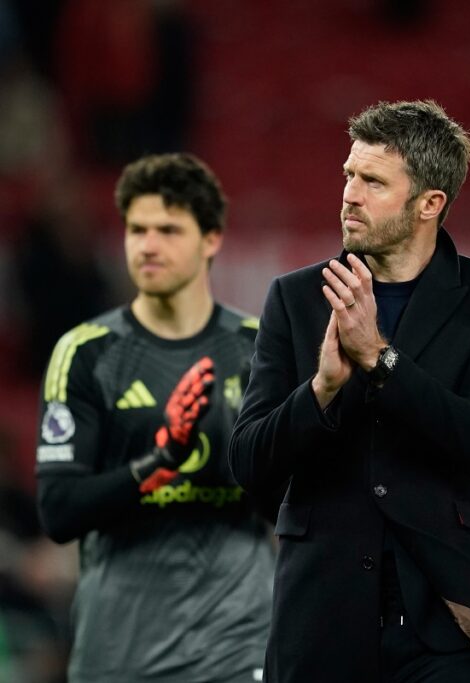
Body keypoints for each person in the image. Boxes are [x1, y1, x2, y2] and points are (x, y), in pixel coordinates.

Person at [229, 100, 470, 683]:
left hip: (448, 618)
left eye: (373, 181)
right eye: (349, 175)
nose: (350, 193)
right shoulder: (296, 298)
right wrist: (323, 388)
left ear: (430, 204)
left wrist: (380, 359)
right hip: (321, 620)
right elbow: (249, 462)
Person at [35, 153, 274, 683]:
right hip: (120, 654)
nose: (147, 245)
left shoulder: (260, 350)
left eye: (169, 229)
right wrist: (160, 462)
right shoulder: (86, 353)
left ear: (211, 238)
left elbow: (293, 504)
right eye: (136, 229)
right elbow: (58, 511)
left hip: (238, 649)